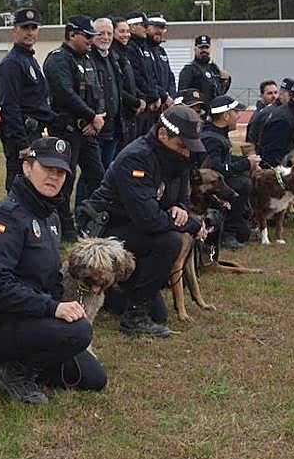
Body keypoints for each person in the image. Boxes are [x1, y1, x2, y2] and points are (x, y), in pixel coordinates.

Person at [0, 137, 107, 404]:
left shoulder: (49, 216)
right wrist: (53, 309)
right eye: (47, 169)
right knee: (79, 332)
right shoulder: (5, 218)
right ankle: (14, 372)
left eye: (61, 172)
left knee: (94, 378)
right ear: (27, 167)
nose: (54, 177)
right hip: (1, 320)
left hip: (33, 318)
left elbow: (50, 278)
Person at [78, 105, 207, 338]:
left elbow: (181, 200)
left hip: (135, 231)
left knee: (158, 313)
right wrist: (190, 224)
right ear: (162, 135)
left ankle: (117, 295)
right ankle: (134, 315)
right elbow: (149, 220)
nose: (187, 154)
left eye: (190, 148)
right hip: (106, 229)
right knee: (169, 241)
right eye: (182, 146)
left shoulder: (177, 159)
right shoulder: (137, 157)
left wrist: (181, 210)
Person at [43, 14, 105, 240]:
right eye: (87, 36)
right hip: (66, 130)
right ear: (71, 34)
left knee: (98, 177)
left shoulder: (87, 59)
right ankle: (64, 228)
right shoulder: (59, 59)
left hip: (88, 130)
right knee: (63, 180)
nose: (91, 40)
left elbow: (98, 91)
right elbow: (64, 93)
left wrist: (97, 118)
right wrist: (90, 116)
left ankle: (90, 220)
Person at [0, 7, 53, 190]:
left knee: (32, 186)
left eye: (34, 28)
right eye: (25, 27)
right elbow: (9, 107)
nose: (30, 32)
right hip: (21, 137)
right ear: (15, 30)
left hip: (33, 132)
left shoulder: (29, 59)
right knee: (19, 187)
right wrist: (22, 143)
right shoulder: (12, 63)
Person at [201, 95, 255, 248]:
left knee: (244, 234)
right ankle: (227, 235)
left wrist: (247, 161)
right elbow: (216, 169)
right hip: (210, 186)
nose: (238, 116)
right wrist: (245, 164)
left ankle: (233, 227)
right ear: (226, 116)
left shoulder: (218, 134)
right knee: (243, 184)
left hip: (217, 182)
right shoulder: (211, 138)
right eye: (236, 112)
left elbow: (226, 159)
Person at [90, 17, 139, 174]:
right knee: (92, 174)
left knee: (108, 171)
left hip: (114, 126)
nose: (105, 37)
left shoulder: (113, 58)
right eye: (101, 33)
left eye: (109, 33)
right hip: (96, 128)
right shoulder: (88, 59)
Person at [109, 17, 146, 149]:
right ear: (113, 32)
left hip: (131, 116)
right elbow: (116, 87)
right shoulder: (112, 55)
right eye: (122, 31)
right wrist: (135, 102)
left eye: (127, 31)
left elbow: (131, 83)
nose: (126, 35)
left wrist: (141, 98)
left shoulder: (124, 54)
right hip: (121, 117)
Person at [125, 11, 164, 133]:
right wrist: (151, 97)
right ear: (132, 27)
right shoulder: (131, 48)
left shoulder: (142, 47)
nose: (147, 30)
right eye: (144, 26)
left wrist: (156, 96)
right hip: (140, 105)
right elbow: (136, 76)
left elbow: (151, 75)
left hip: (150, 103)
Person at [176, 35, 230, 103]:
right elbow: (182, 94)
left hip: (213, 109)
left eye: (206, 47)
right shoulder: (189, 69)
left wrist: (225, 80)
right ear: (195, 49)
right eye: (201, 48)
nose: (204, 50)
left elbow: (220, 92)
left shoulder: (214, 68)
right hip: (198, 110)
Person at [146, 14, 176, 102]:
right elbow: (148, 79)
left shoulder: (161, 51)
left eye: (162, 28)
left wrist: (171, 96)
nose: (160, 31)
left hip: (166, 103)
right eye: (156, 27)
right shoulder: (142, 50)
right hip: (152, 101)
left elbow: (170, 77)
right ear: (147, 27)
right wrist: (163, 96)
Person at [244, 79, 278, 150]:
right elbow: (250, 141)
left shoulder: (279, 112)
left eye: (275, 92)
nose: (274, 96)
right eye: (269, 93)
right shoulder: (258, 116)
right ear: (261, 95)